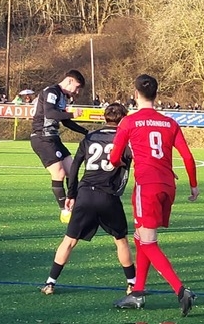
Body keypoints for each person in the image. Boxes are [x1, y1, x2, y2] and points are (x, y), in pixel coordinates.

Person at [111, 74, 199, 317]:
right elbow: (188, 157)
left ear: (135, 94)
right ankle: (137, 292)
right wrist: (193, 185)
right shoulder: (169, 123)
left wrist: (120, 163)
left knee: (148, 241)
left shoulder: (129, 122)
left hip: (146, 187)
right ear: (156, 94)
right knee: (141, 236)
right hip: (167, 186)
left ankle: (181, 290)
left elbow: (114, 157)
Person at [40, 103, 135, 296]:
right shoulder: (125, 138)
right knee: (121, 241)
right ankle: (132, 284)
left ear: (104, 117)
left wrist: (71, 194)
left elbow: (75, 167)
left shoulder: (90, 137)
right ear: (124, 118)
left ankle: (50, 283)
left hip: (85, 194)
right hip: (108, 196)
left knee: (69, 241)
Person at [30, 69, 88, 223]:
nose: (77, 91)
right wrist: (73, 114)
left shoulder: (62, 96)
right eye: (77, 87)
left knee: (72, 170)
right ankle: (65, 211)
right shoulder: (52, 92)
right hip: (42, 137)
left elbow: (65, 121)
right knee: (59, 173)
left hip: (53, 138)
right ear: (69, 80)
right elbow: (50, 113)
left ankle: (74, 205)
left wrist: (86, 132)